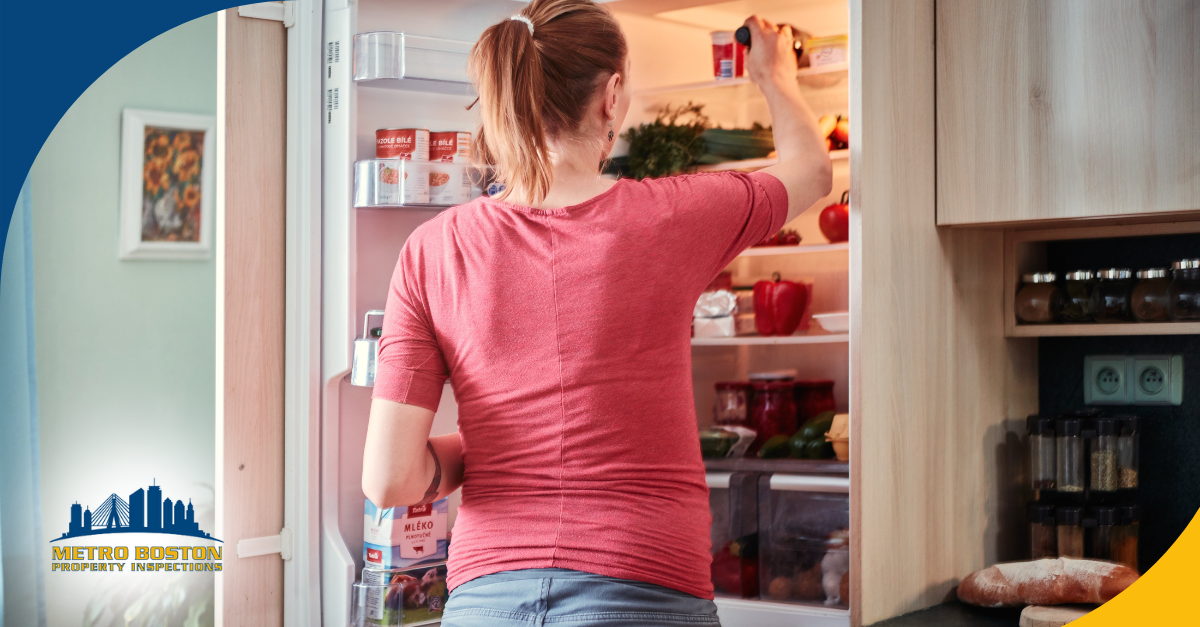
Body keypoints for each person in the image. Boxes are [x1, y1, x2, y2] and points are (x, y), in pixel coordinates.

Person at [361, 0, 832, 624]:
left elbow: (389, 479)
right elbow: (812, 171)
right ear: (611, 96)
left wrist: (500, 445)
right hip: (643, 588)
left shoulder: (432, 248)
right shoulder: (672, 216)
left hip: (486, 600)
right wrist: (775, 76)